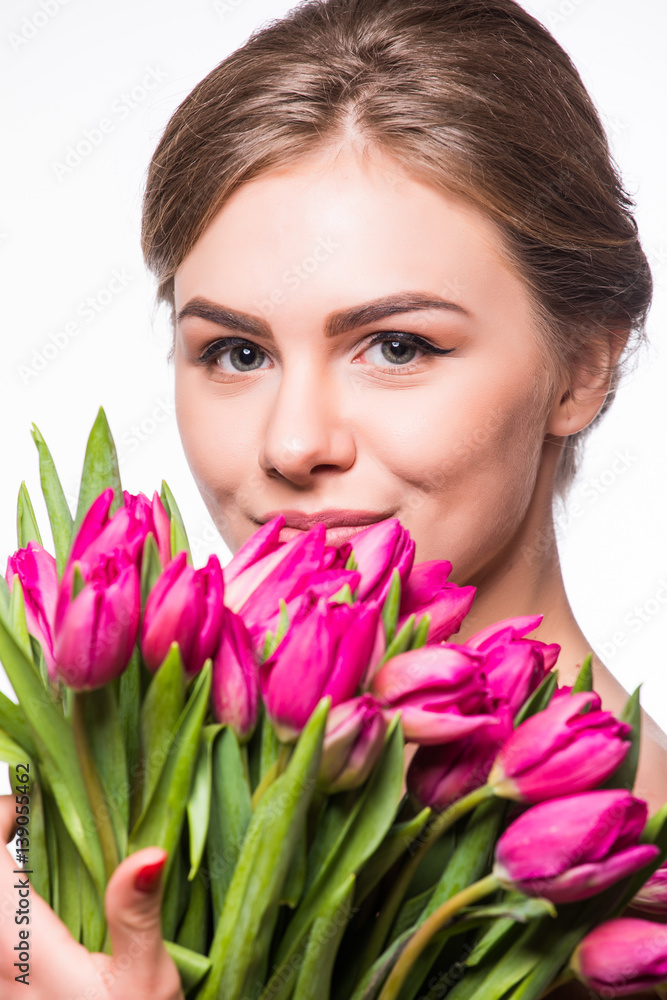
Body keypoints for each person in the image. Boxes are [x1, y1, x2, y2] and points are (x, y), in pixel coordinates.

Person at [1, 1, 665, 996]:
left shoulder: (631, 910)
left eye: (397, 347)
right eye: (235, 352)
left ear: (581, 367)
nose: (294, 442)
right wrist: (18, 913)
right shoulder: (107, 790)